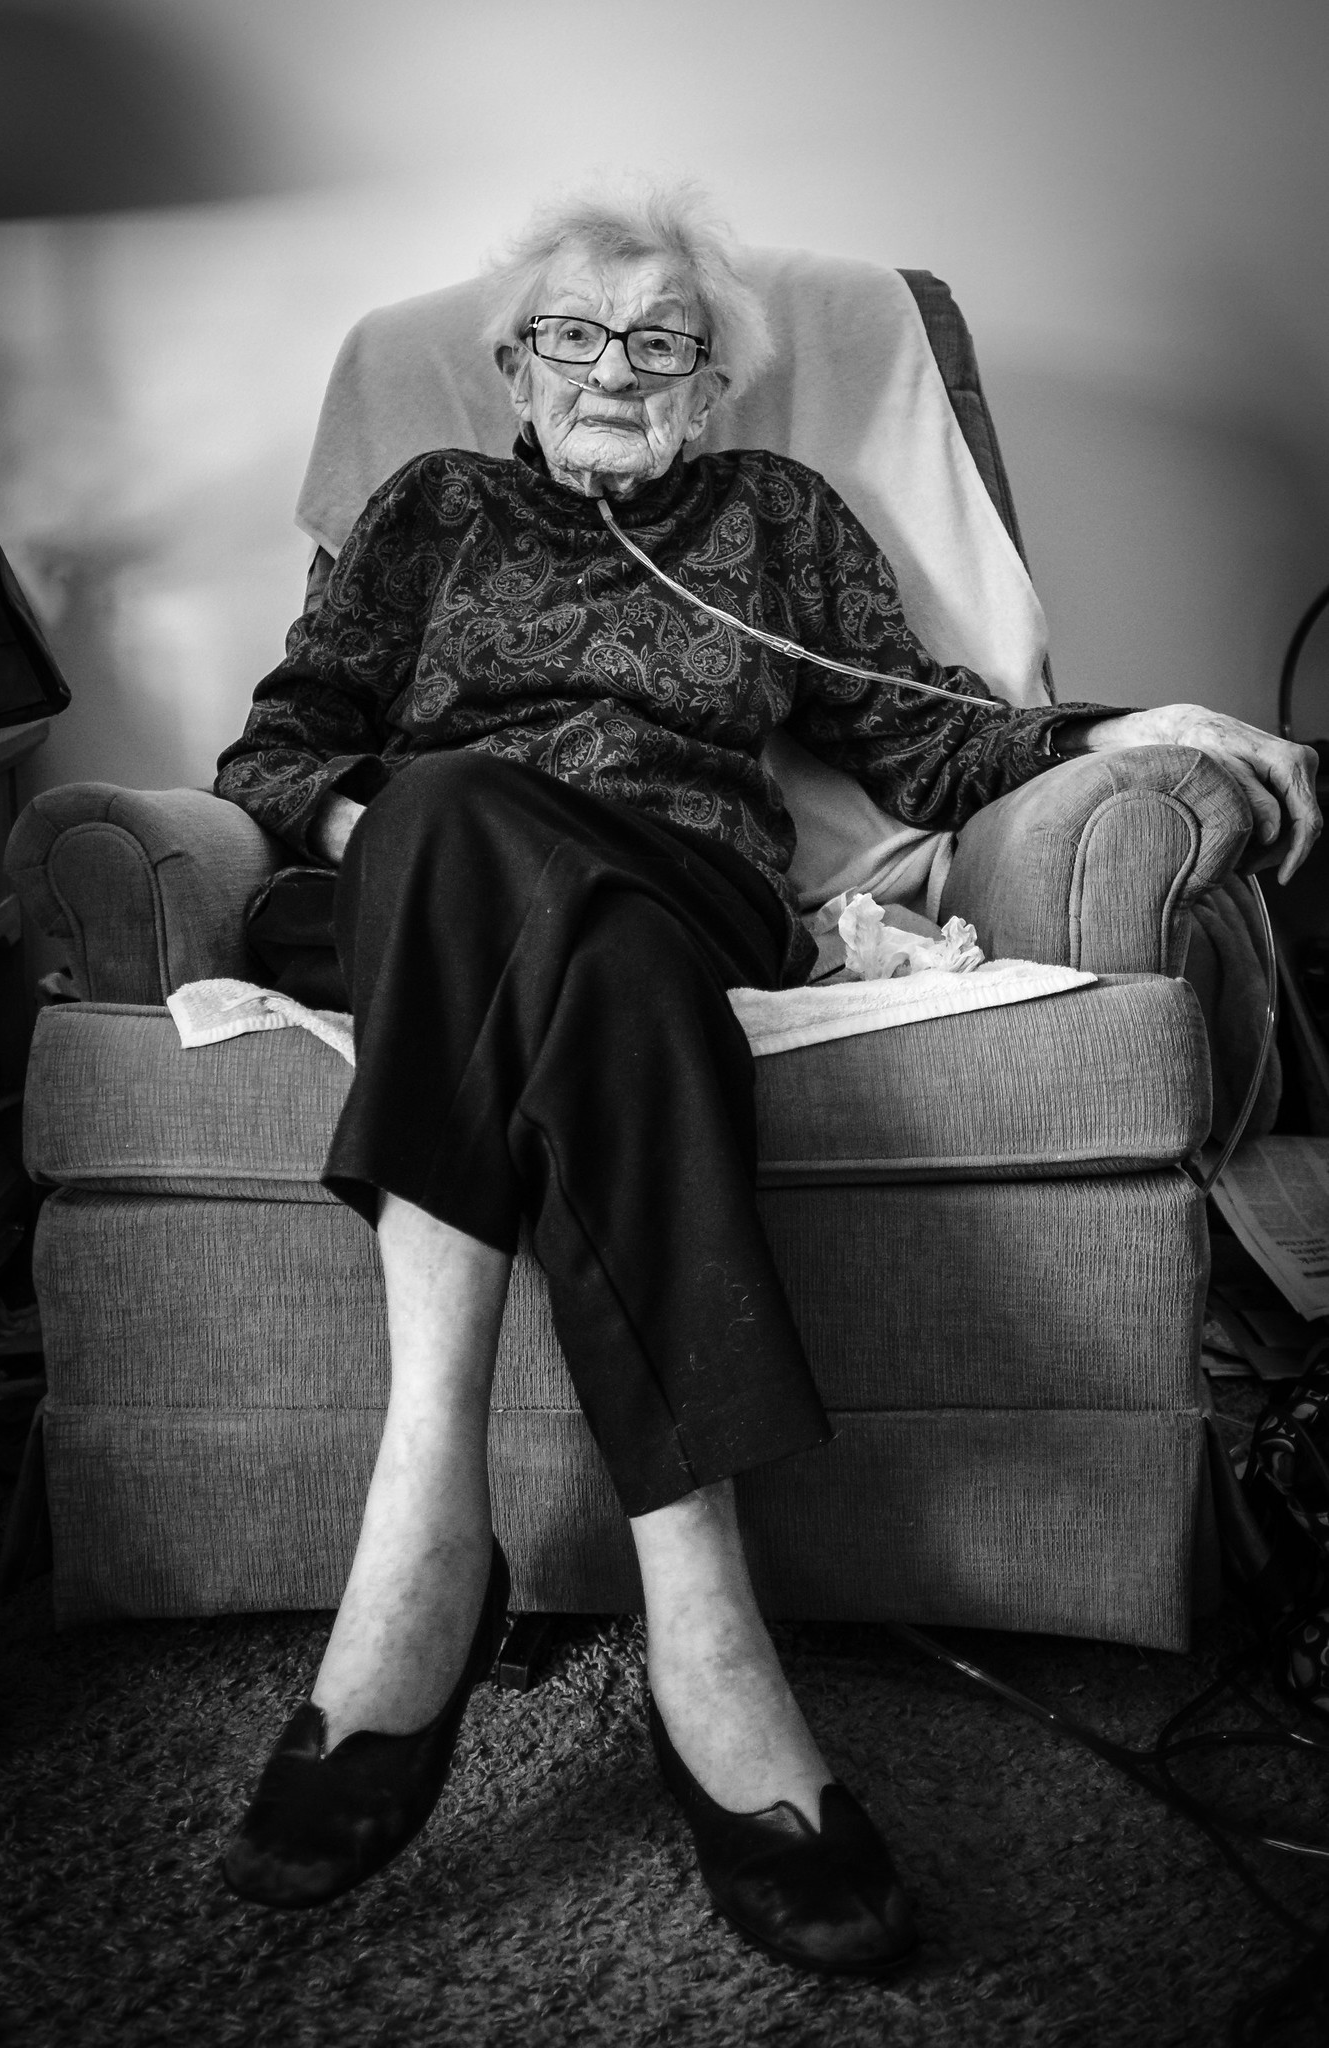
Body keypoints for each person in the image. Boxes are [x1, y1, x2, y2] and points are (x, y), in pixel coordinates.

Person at [213, 187, 1320, 1974]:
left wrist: (1129, 728)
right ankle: (704, 1628)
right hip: (435, 905)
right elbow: (278, 749)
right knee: (480, 837)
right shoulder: (429, 508)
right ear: (514, 366)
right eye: (575, 334)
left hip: (686, 885)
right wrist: (397, 837)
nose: (616, 368)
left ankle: (421, 1541)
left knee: (578, 908)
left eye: (662, 342)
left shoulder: (775, 518)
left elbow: (921, 730)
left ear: (710, 384)